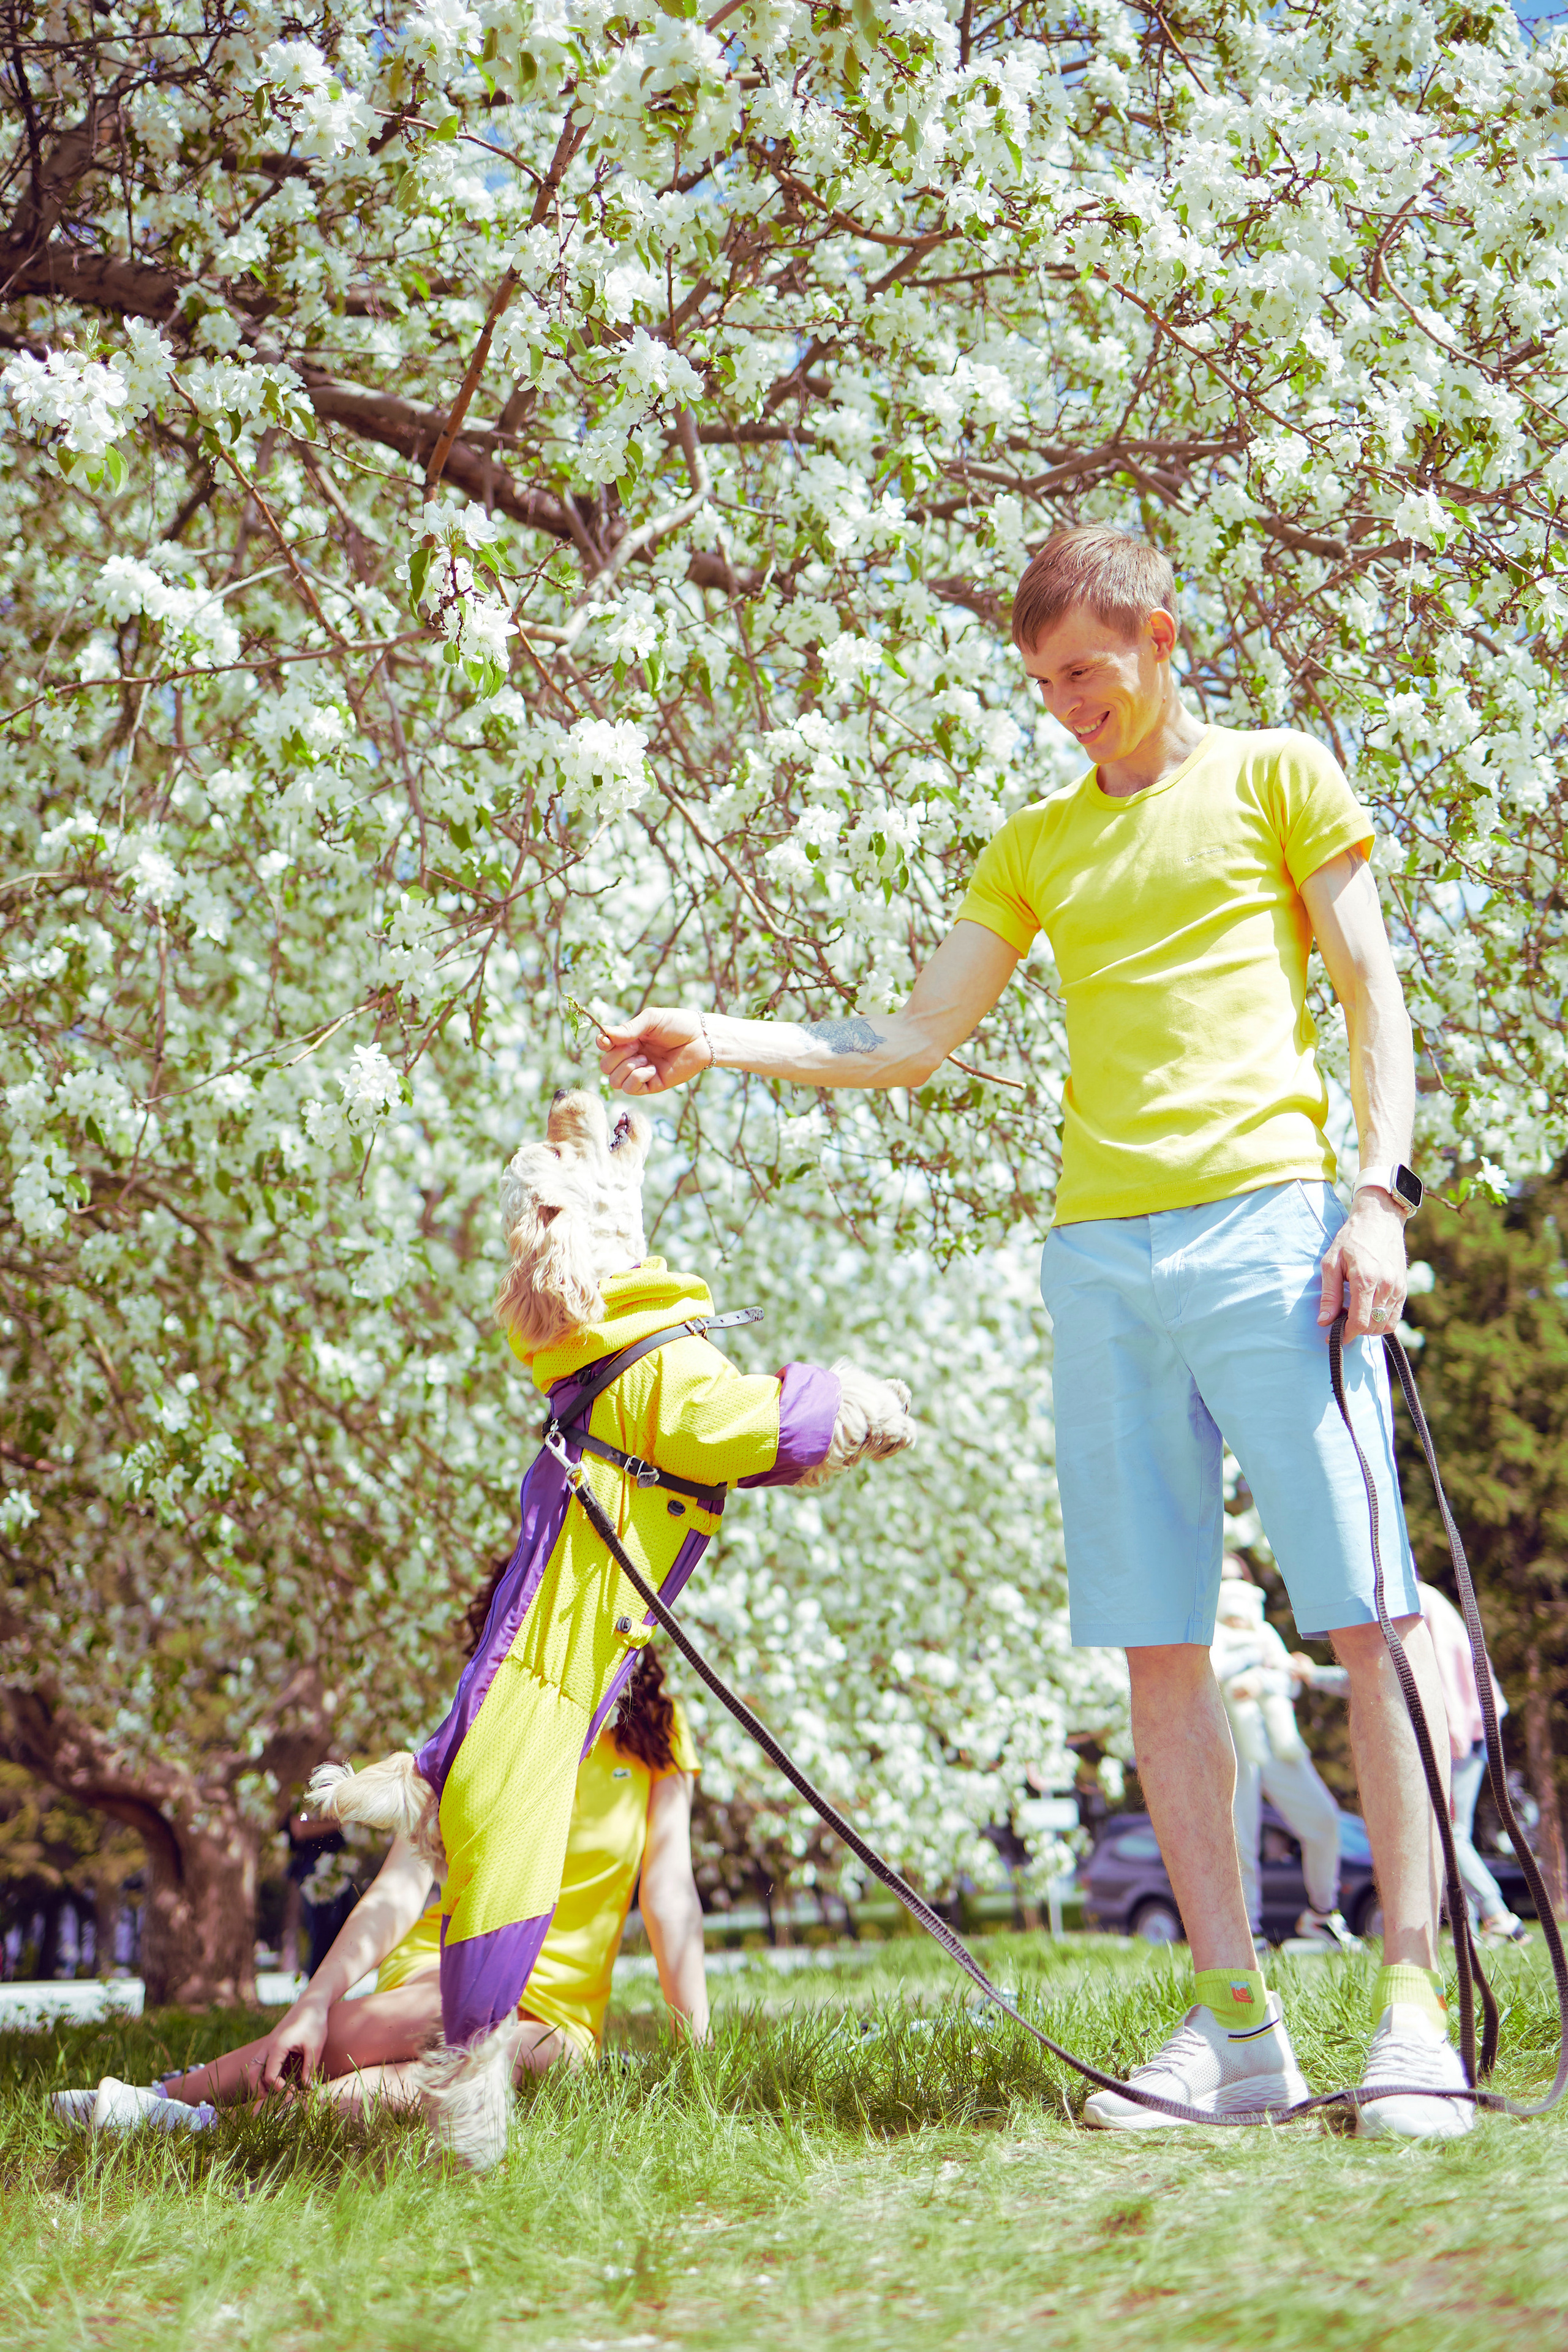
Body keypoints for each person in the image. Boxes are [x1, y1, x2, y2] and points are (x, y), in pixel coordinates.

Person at [598, 522, 1471, 2139]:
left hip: (1277, 1226)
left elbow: (1370, 994)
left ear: (1158, 634)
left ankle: (1412, 2007)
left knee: (1364, 1611)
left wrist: (1377, 1199)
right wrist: (712, 1037)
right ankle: (1236, 2031)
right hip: (1102, 1267)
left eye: (1086, 672)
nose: (1067, 705)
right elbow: (914, 1038)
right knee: (1157, 1649)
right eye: (1045, 685)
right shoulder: (1037, 845)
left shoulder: (1279, 775)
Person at [53, 1640, 708, 2134]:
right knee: (457, 2016)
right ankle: (172, 2098)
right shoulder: (479, 1722)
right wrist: (315, 2001)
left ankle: (214, 2124)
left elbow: (668, 1891)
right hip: (449, 1968)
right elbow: (401, 1888)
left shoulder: (658, 1730)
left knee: (500, 2056)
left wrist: (696, 2055)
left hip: (557, 2016)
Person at [1211, 1559, 1356, 1949]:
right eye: (1223, 1579)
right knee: (1241, 1839)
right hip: (1234, 1745)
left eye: (1236, 1578)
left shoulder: (1265, 1632)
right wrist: (1251, 1664)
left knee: (1324, 1820)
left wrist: (1262, 1679)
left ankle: (1321, 1915)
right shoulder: (1206, 1629)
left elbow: (1289, 1683)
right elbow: (1212, 1673)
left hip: (1279, 1744)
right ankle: (1248, 1932)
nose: (1231, 1587)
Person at [1419, 1578, 1531, 1947]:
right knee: (1448, 1829)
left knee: (1449, 1830)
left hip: (1464, 1728)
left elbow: (1443, 1666)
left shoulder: (1418, 1600)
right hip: (1473, 1723)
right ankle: (1470, 1926)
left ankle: (1498, 1916)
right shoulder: (1428, 1598)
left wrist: (1452, 1731)